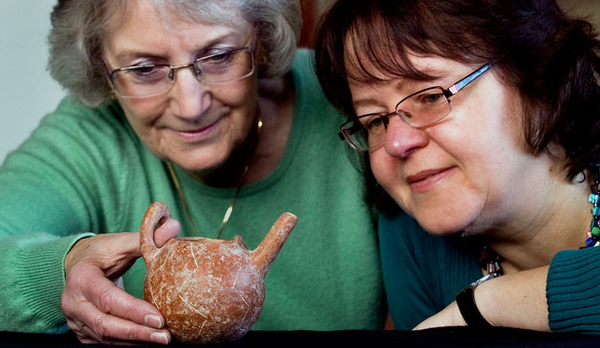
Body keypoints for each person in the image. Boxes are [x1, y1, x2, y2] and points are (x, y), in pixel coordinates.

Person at [0, 0, 387, 344]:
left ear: (262, 40)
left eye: (219, 56)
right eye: (145, 68)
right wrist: (63, 269)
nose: (190, 106)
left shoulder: (354, 96)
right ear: (101, 65)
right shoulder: (90, 134)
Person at [314, 0, 600, 334]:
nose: (395, 143)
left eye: (431, 97)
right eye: (375, 120)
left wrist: (484, 305)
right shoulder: (410, 231)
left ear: (538, 80)